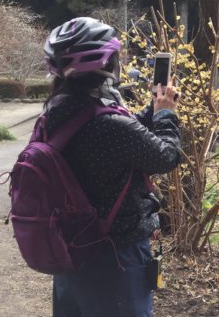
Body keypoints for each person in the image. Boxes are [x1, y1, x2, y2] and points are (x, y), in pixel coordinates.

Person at [43, 17, 181, 317]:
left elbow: (121, 136)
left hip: (70, 249)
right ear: (108, 64)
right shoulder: (110, 126)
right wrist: (166, 115)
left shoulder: (54, 113)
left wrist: (152, 110)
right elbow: (166, 157)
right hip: (115, 256)